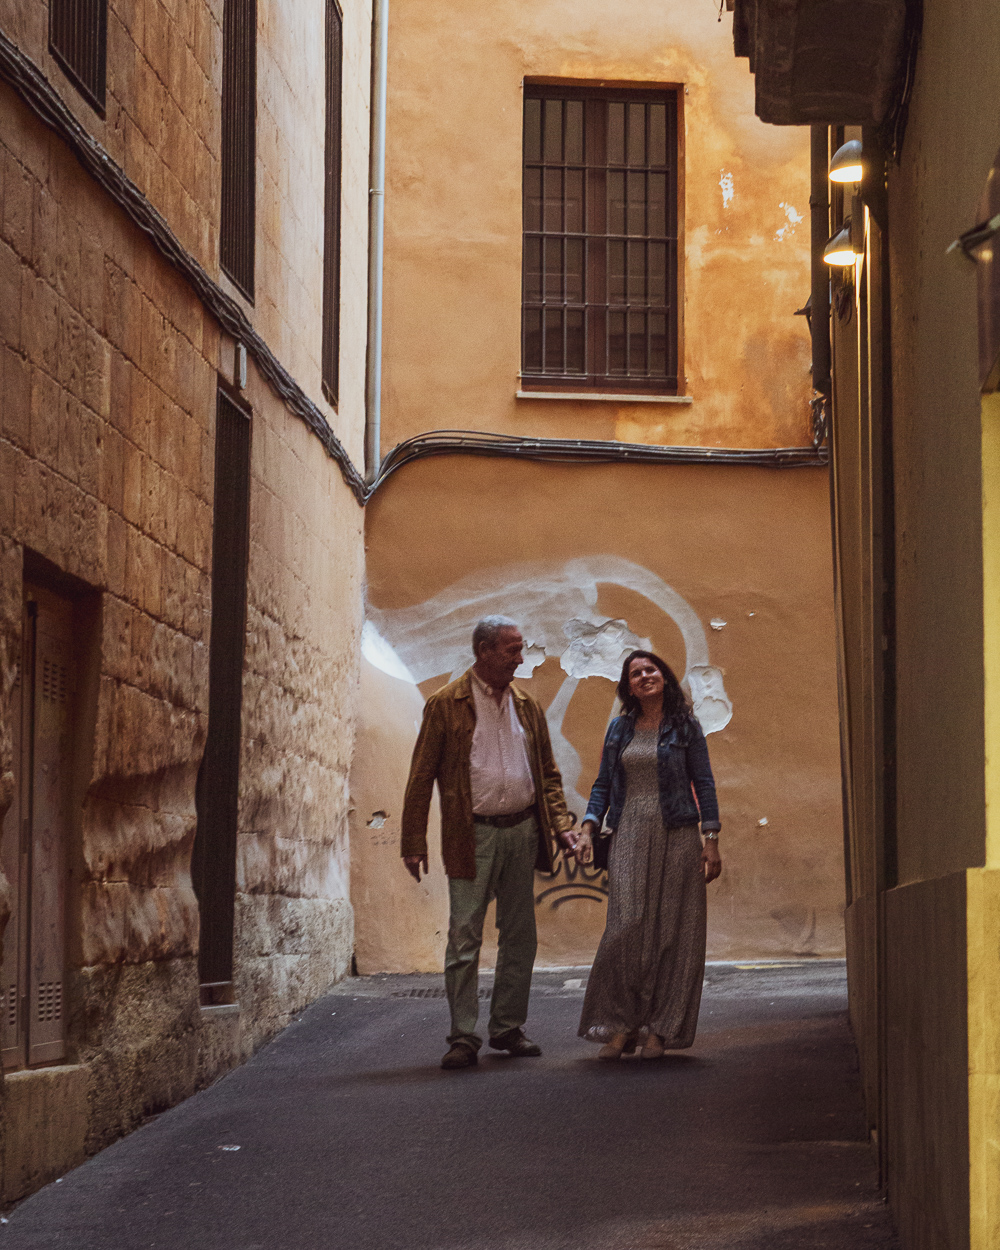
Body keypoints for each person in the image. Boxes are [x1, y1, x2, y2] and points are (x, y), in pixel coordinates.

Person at [401, 615, 576, 1070]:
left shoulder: (526, 705)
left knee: (520, 936)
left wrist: (560, 825)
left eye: (520, 649)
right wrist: (412, 839)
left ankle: (507, 1028)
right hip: (471, 834)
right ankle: (463, 1036)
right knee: (464, 936)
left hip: (522, 831)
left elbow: (548, 775)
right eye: (512, 650)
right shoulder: (445, 704)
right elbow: (422, 776)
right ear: (483, 651)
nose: (521, 659)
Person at [575, 650, 722, 1060]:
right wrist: (589, 828)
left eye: (650, 669)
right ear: (628, 686)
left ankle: (659, 1029)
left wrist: (710, 838)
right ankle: (620, 1025)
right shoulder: (620, 729)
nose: (644, 676)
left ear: (664, 675)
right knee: (627, 927)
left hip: (677, 832)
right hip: (629, 832)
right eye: (635, 673)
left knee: (674, 931)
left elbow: (704, 783)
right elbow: (603, 784)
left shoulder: (686, 726)